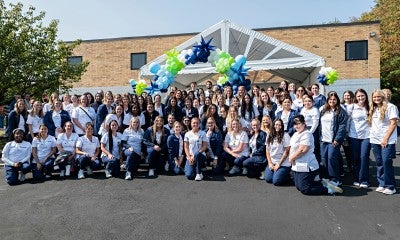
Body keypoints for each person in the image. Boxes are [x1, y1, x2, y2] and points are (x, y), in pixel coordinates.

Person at [289, 115, 343, 195]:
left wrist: (291, 158)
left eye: (298, 123)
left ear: (304, 124)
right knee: (298, 187)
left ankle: (329, 190)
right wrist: (291, 157)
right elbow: (291, 147)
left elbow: (302, 150)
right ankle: (323, 183)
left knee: (305, 189)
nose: (296, 126)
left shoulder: (307, 134)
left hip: (307, 165)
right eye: (295, 124)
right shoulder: (295, 134)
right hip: (297, 165)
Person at [369, 89, 398, 195]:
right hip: (375, 139)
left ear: (383, 97)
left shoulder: (391, 107)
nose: (376, 99)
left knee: (386, 162)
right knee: (379, 162)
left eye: (378, 97)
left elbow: (393, 123)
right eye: (374, 97)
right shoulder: (374, 108)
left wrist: (385, 138)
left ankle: (390, 186)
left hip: (387, 140)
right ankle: (382, 183)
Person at [319, 91, 348, 186]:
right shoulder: (323, 110)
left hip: (333, 140)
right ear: (327, 100)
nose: (332, 101)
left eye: (334, 99)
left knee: (331, 158)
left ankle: (335, 179)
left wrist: (337, 139)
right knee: (324, 159)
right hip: (324, 140)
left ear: (337, 100)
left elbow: (342, 127)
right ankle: (327, 177)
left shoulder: (341, 111)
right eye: (330, 99)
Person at [348, 89, 371, 188]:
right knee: (356, 158)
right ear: (355, 97)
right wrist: (346, 133)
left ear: (365, 96)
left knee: (364, 157)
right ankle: (357, 178)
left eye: (362, 96)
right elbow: (348, 121)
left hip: (367, 136)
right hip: (354, 136)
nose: (360, 98)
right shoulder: (352, 107)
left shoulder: (370, 107)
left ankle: (364, 180)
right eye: (358, 96)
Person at [264, 119, 291, 185]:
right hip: (273, 162)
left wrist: (279, 164)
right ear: (273, 125)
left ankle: (288, 175)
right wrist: (270, 163)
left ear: (282, 126)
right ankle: (277, 173)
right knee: (268, 179)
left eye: (280, 125)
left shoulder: (285, 135)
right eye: (276, 125)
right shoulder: (269, 135)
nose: (278, 126)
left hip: (283, 163)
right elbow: (267, 150)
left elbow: (286, 151)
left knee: (276, 182)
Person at [299, 94, 321, 162]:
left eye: (309, 101)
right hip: (303, 130)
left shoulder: (315, 110)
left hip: (312, 131)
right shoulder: (303, 109)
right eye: (305, 101)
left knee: (313, 149)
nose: (307, 103)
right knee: (304, 148)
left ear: (313, 102)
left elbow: (315, 123)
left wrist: (310, 133)